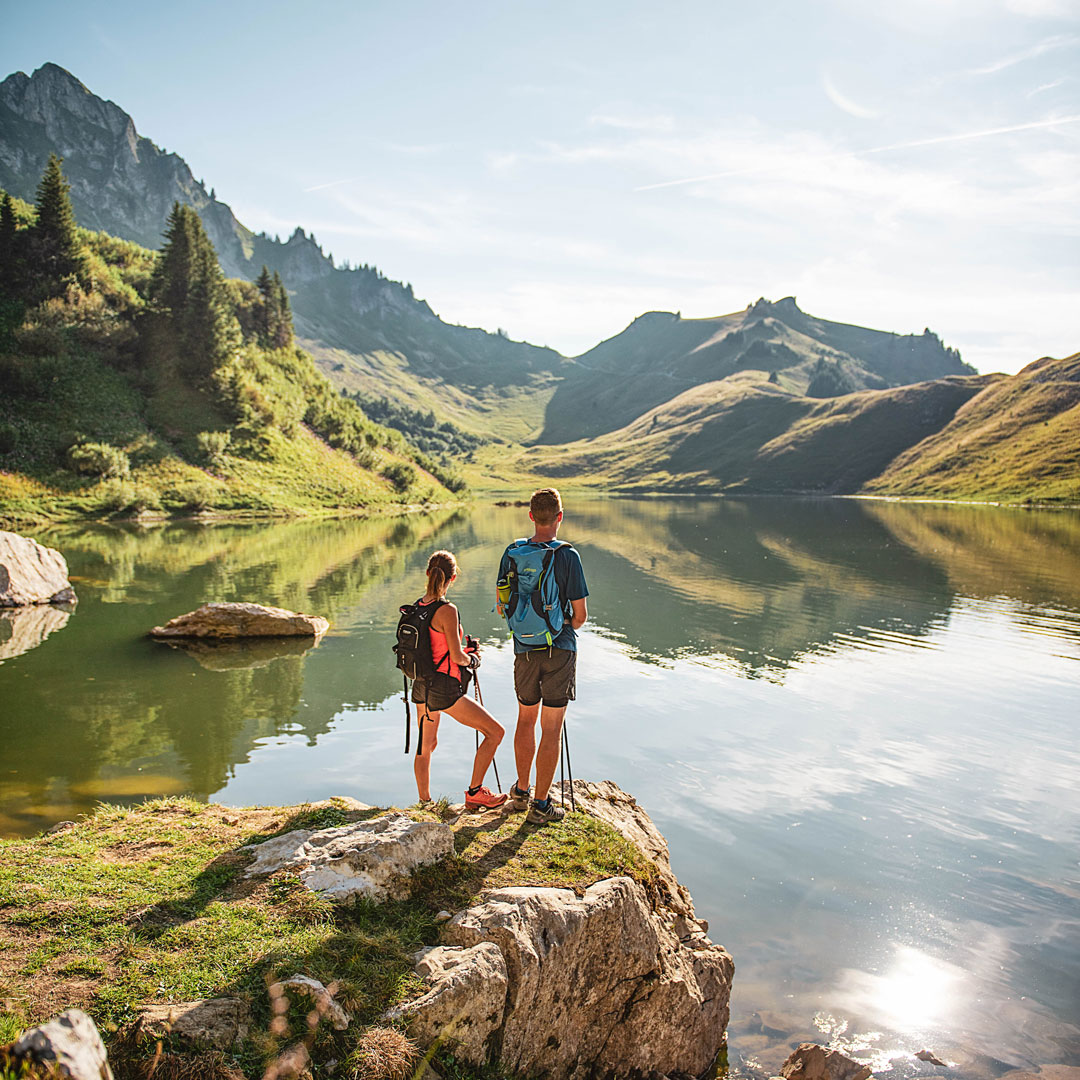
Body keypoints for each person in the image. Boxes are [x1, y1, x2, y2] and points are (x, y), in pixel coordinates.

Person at [499, 488, 589, 824]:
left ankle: (521, 792)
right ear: (560, 517)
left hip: (524, 647)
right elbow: (579, 617)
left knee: (525, 719)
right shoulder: (568, 556)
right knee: (551, 729)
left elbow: (503, 604)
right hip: (560, 648)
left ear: (531, 516)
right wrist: (560, 620)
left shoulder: (513, 553)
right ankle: (541, 804)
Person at [411, 550, 508, 810]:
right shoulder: (446, 610)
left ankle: (424, 802)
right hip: (443, 689)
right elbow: (456, 656)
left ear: (428, 574)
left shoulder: (417, 607)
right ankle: (475, 792)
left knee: (426, 743)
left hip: (420, 686)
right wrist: (473, 659)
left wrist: (463, 655)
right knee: (495, 732)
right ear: (453, 578)